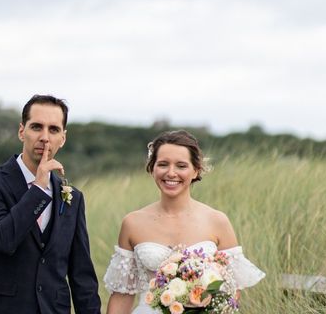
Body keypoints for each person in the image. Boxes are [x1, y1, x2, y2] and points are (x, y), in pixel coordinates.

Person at [0, 94, 101, 314]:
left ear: (63, 138)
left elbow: (82, 275)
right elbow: (4, 239)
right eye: (36, 127)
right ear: (21, 131)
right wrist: (39, 189)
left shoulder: (73, 197)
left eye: (53, 130)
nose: (44, 137)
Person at [104, 130, 265, 313]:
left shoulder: (217, 221)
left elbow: (231, 293)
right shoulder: (132, 223)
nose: (171, 173)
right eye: (163, 164)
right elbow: (122, 295)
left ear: (196, 170)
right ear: (152, 168)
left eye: (181, 166)